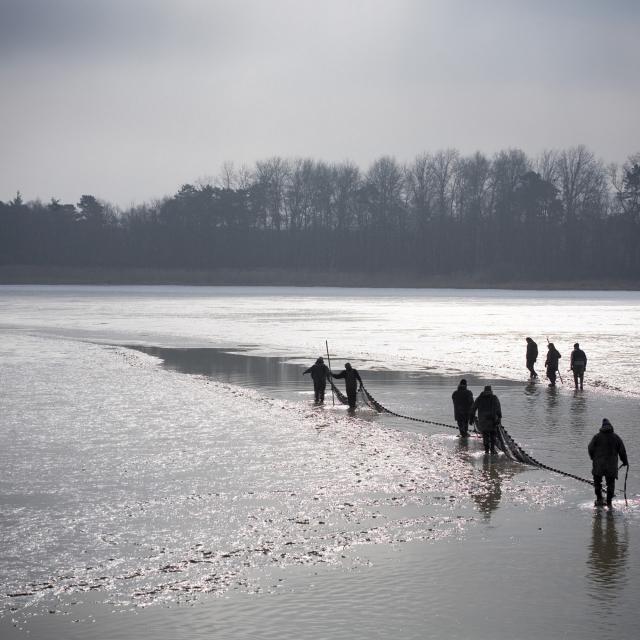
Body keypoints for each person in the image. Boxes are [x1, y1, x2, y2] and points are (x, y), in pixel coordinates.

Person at [588, 418, 628, 507]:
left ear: (602, 427)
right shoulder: (616, 438)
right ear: (611, 427)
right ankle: (609, 502)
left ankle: (599, 499)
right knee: (610, 484)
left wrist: (592, 458)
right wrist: (625, 461)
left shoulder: (596, 437)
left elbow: (590, 448)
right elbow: (622, 451)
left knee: (597, 482)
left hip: (598, 465)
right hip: (611, 466)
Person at [471, 385, 502, 454]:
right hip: (492, 420)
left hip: (483, 420)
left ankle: (486, 450)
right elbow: (498, 409)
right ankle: (492, 449)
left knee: (485, 435)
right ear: (491, 391)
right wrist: (499, 417)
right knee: (492, 435)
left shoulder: (479, 398)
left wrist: (471, 417)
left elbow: (473, 408)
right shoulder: (494, 398)